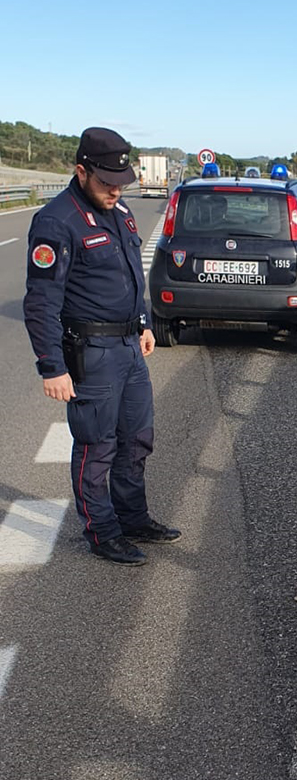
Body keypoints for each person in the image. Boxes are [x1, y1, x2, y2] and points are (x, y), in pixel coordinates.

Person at [23, 127, 181, 566]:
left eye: (122, 180)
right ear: (80, 171)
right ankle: (102, 530)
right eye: (107, 181)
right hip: (91, 353)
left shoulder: (120, 209)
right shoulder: (57, 222)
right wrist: (51, 366)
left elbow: (132, 272)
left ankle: (133, 518)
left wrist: (145, 322)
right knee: (97, 444)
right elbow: (40, 302)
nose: (116, 189)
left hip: (130, 346)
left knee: (136, 440)